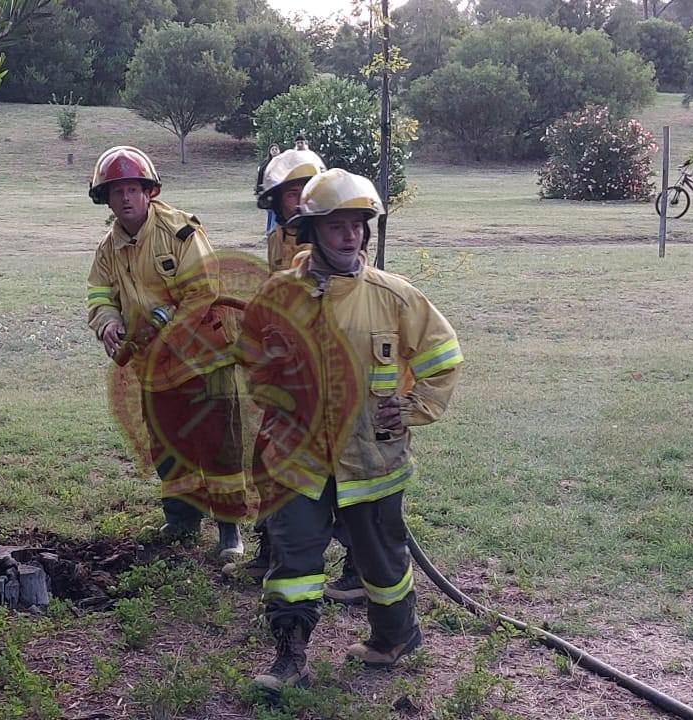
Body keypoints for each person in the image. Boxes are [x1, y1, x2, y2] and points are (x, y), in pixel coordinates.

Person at [237, 169, 464, 691]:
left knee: (380, 563)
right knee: (294, 560)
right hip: (297, 458)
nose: (350, 236)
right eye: (337, 226)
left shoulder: (395, 297)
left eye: (358, 225)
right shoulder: (277, 295)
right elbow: (251, 359)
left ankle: (395, 636)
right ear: (311, 233)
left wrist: (413, 407)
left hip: (371, 460)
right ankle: (288, 658)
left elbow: (443, 357)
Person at [85, 146, 248, 558]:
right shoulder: (108, 249)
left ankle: (230, 530)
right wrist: (108, 323)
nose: (125, 198)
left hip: (204, 359)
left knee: (218, 443)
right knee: (168, 445)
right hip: (153, 369)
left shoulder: (179, 232)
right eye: (116, 191)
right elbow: (99, 294)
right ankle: (181, 520)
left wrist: (165, 336)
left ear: (149, 191)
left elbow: (203, 290)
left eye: (132, 189)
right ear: (105, 198)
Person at [223, 142, 367, 604]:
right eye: (291, 193)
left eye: (308, 188)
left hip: (334, 380)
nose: (301, 198)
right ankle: (272, 548)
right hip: (289, 378)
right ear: (276, 202)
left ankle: (359, 566)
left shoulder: (338, 237)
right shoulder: (278, 239)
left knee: (340, 473)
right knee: (269, 462)